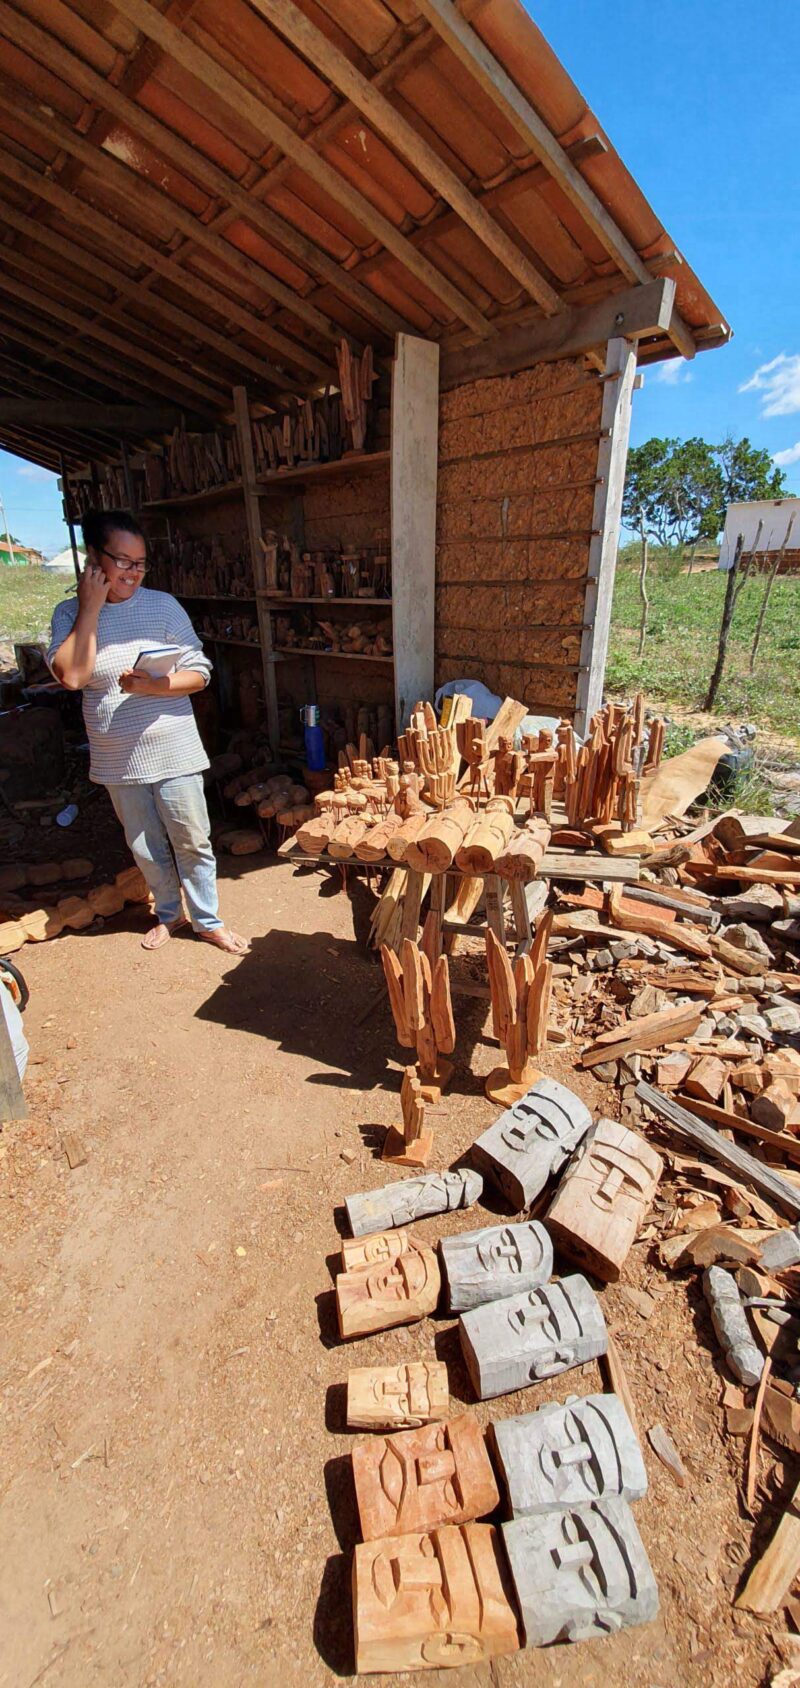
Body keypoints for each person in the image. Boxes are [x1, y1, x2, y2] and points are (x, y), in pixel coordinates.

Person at [48, 509, 248, 955]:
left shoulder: (162, 606)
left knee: (192, 839)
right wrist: (91, 608)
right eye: (123, 561)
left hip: (174, 746)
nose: (134, 573)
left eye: (140, 563)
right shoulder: (69, 613)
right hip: (117, 756)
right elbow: (73, 676)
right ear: (94, 558)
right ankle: (169, 913)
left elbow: (200, 671)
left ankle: (207, 920)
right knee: (144, 846)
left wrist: (155, 685)